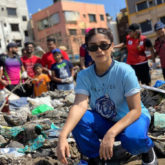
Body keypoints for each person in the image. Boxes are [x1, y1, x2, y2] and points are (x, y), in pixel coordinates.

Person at [57, 28, 157, 165]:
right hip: (107, 119)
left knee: (134, 140)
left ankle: (147, 150)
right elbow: (80, 105)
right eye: (93, 47)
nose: (99, 50)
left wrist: (111, 133)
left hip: (132, 118)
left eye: (104, 45)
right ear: (88, 50)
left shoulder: (124, 71)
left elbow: (136, 110)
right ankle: (97, 158)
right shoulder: (84, 75)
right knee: (78, 119)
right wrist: (62, 136)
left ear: (112, 46)